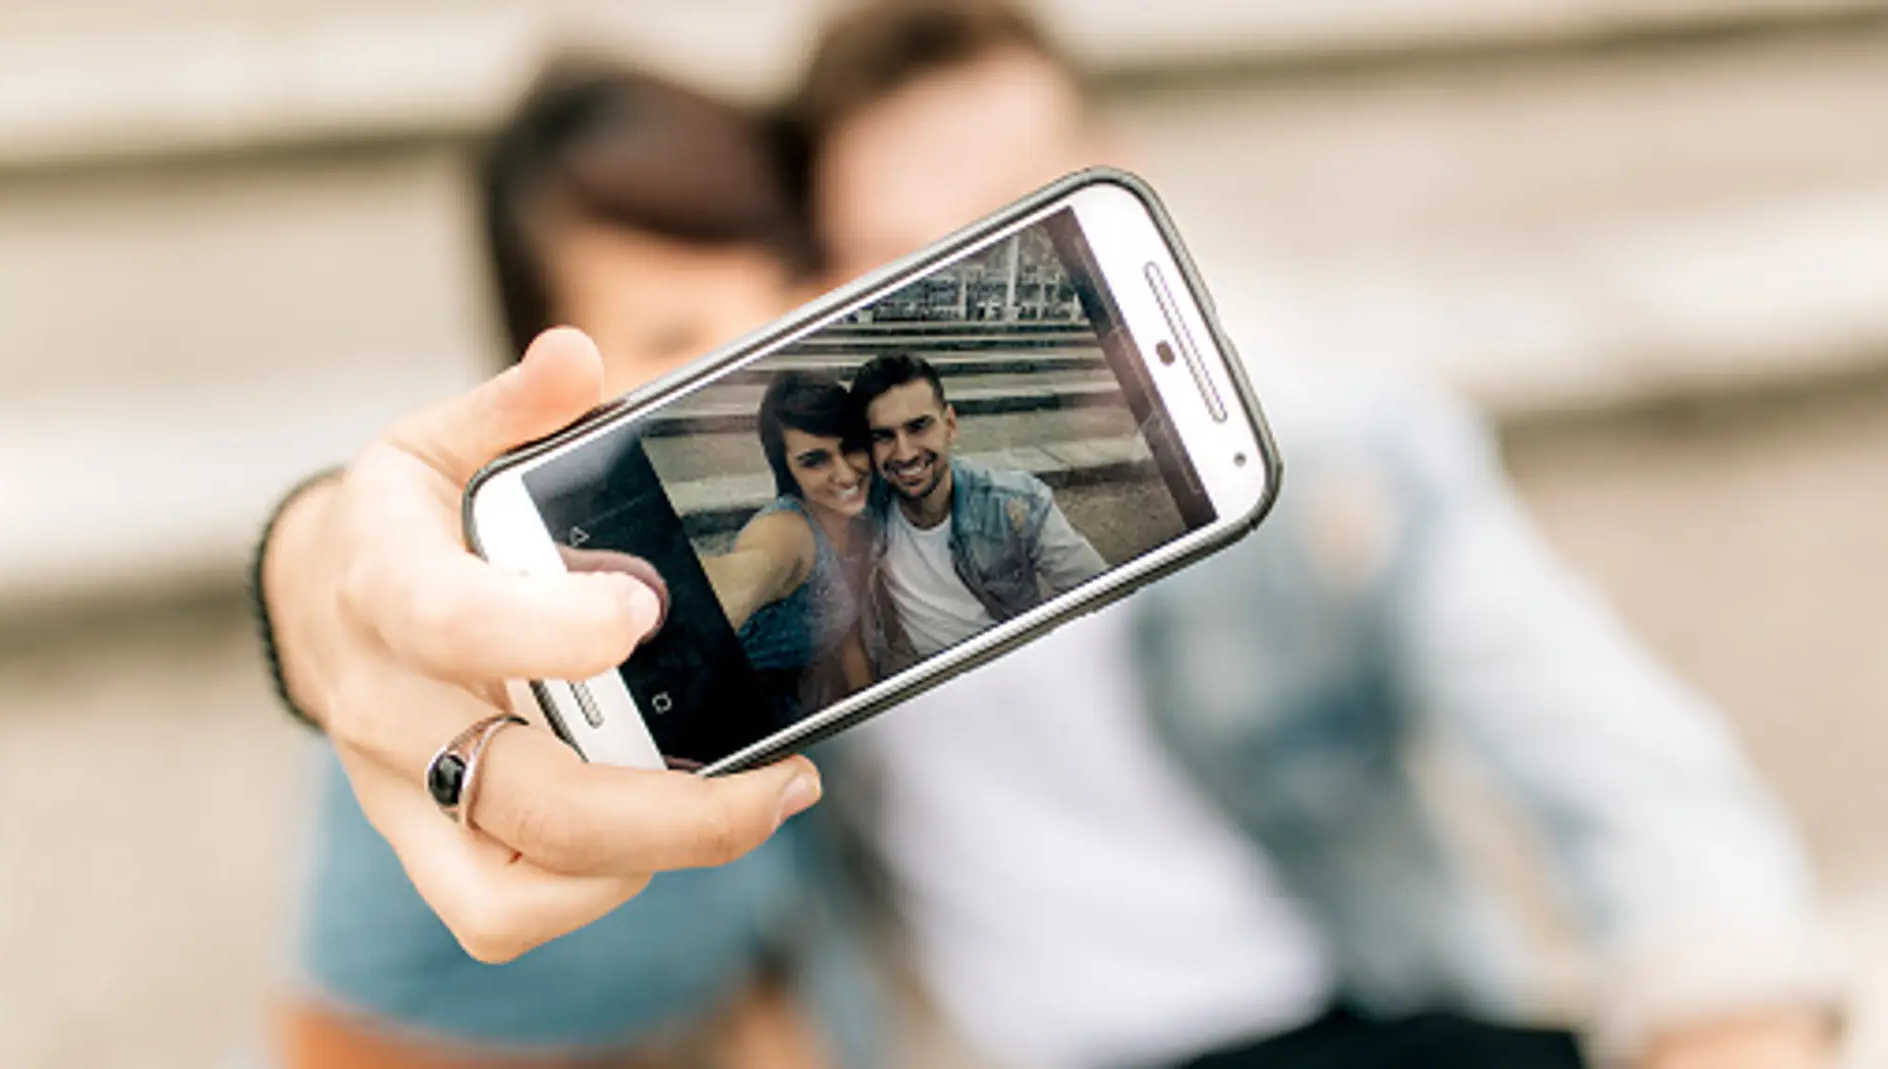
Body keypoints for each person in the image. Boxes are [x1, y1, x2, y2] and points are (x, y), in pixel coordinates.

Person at [782, 3, 1842, 1069]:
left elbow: (1618, 760)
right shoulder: (812, 539)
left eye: (1015, 234)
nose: (970, 309)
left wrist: (1731, 1007)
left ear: (1120, 193)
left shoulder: (1331, 455)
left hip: (1340, 1023)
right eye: (899, 267)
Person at [266, 63, 871, 1069]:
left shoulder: (825, 519)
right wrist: (306, 565)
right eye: (674, 338)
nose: (755, 369)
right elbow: (360, 592)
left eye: (780, 303)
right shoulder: (494, 604)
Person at [846, 352, 1104, 671]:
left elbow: (1105, 599)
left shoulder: (1015, 505)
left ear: (950, 425)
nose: (904, 453)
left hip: (1014, 670)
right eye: (883, 436)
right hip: (924, 683)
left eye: (918, 427)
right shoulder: (865, 511)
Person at [704, 371, 877, 716]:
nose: (844, 474)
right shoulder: (787, 532)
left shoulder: (859, 522)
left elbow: (846, 638)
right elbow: (745, 573)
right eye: (815, 461)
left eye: (851, 448)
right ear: (786, 470)